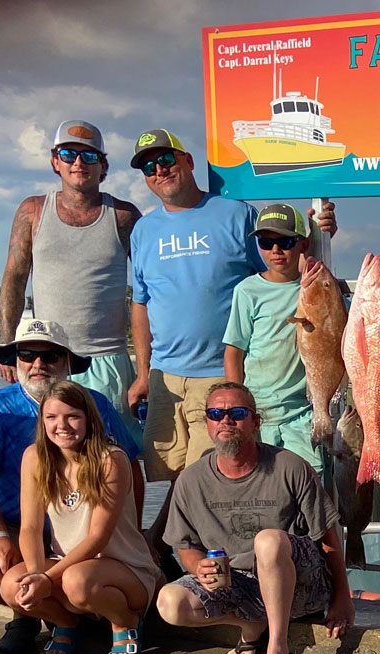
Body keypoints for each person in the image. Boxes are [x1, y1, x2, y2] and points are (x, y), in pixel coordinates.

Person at [126, 128, 337, 492]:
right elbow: (141, 303)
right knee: (164, 477)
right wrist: (143, 374)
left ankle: (176, 545)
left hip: (217, 377)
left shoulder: (236, 214)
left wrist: (319, 236)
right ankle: (162, 549)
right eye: (148, 167)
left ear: (188, 162)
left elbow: (284, 274)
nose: (158, 170)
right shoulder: (143, 230)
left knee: (208, 482)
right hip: (164, 379)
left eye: (165, 160)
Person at [0, 317, 144, 654]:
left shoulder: (98, 404)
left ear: (68, 362)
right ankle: (32, 616)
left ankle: (111, 615)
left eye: (51, 357)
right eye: (27, 354)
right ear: (15, 361)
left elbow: (131, 464)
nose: (38, 364)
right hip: (17, 526)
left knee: (78, 577)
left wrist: (136, 528)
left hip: (83, 527)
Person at [155, 382, 354, 654]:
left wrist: (343, 597)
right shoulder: (190, 479)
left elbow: (327, 535)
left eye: (236, 412)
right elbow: (185, 547)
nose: (225, 420)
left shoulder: (290, 466)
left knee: (268, 541)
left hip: (299, 587)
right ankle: (251, 622)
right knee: (169, 602)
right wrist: (197, 567)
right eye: (215, 413)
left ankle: (276, 648)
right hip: (238, 585)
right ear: (207, 422)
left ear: (255, 422)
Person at [0, 381, 162, 654]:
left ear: (89, 418)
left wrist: (48, 579)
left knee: (77, 581)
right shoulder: (34, 458)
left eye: (72, 416)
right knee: (12, 585)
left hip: (123, 568)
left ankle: (125, 621)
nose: (62, 425)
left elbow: (97, 537)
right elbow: (30, 528)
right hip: (66, 563)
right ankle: (66, 623)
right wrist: (37, 573)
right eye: (51, 417)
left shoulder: (111, 460)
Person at [0, 120, 140, 406]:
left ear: (103, 166)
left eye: (89, 156)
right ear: (55, 162)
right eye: (68, 154)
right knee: (48, 445)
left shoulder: (125, 216)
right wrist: (7, 347)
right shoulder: (33, 211)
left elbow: (149, 287)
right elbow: (14, 279)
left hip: (107, 360)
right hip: (46, 360)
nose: (78, 163)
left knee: (110, 446)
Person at [223, 204, 325, 469]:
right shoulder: (247, 290)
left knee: (309, 480)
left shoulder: (314, 286)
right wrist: (239, 407)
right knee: (259, 482)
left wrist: (322, 232)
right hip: (258, 412)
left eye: (285, 241)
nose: (276, 251)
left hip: (303, 413)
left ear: (302, 244)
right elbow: (234, 351)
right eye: (266, 243)